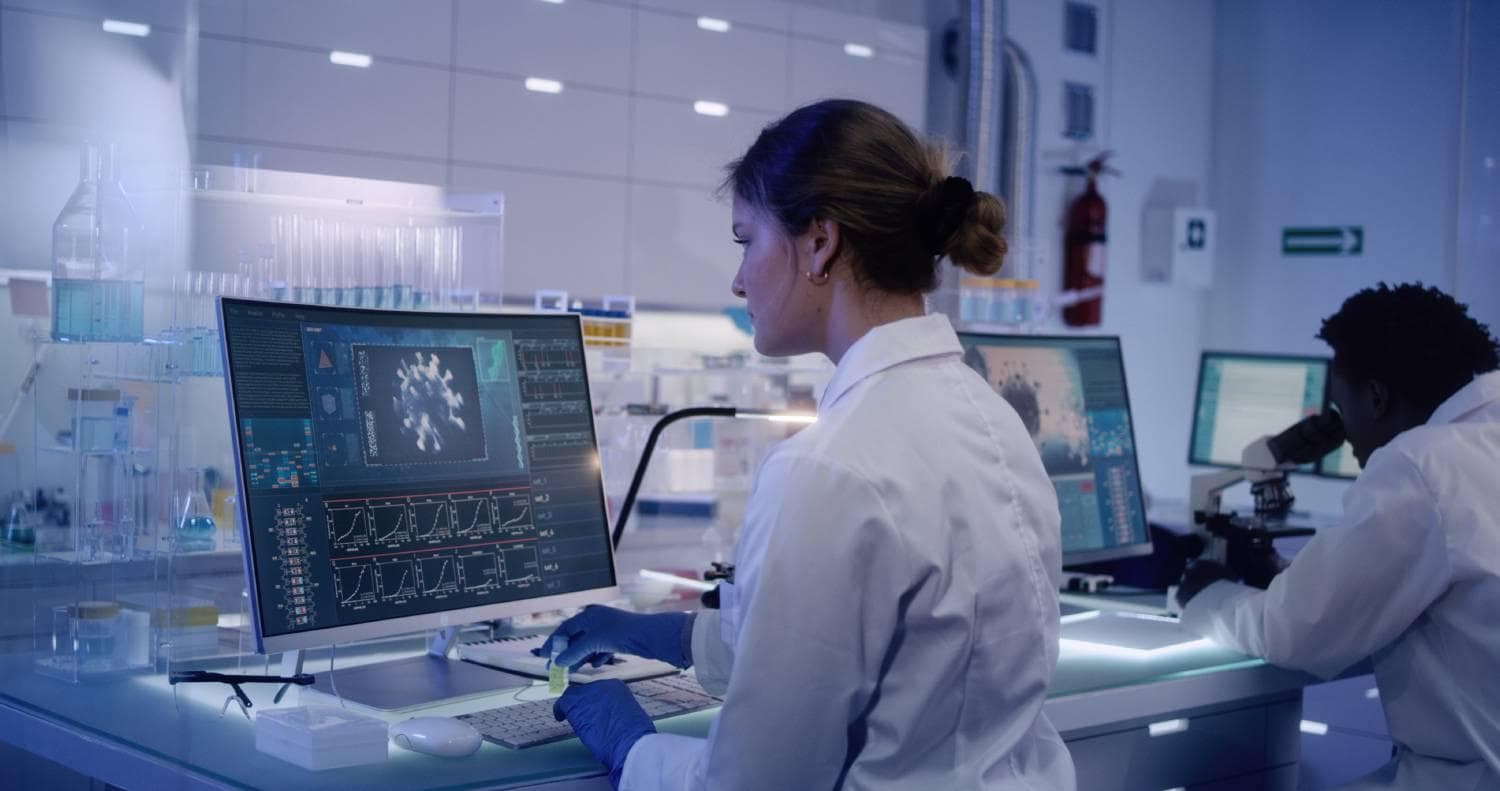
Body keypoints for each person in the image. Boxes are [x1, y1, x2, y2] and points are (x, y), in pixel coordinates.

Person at [538, 99, 1076, 790]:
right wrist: (657, 634)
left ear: (819, 242)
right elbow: (864, 652)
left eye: (746, 240)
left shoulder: (829, 469)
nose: (738, 279)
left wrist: (631, 744)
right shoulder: (992, 419)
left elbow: (753, 784)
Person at [1176, 283, 1500, 790]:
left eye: (1340, 411)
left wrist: (1204, 595)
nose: (1344, 439)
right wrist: (1289, 580)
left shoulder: (1421, 463)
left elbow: (1296, 631)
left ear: (1375, 396)